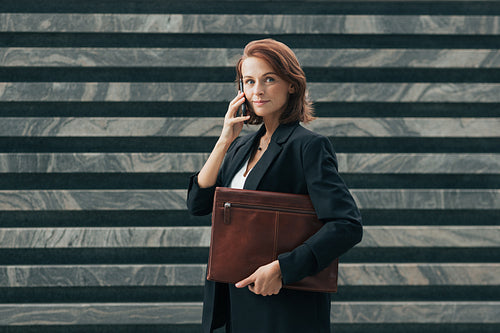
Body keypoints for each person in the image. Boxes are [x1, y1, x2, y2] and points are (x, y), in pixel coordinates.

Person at [187, 38, 362, 333]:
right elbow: (198, 204)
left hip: (283, 307)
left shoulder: (308, 146)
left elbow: (347, 225)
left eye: (269, 79)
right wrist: (224, 139)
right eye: (249, 81)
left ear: (291, 84)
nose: (258, 90)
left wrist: (282, 269)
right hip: (233, 304)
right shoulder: (239, 147)